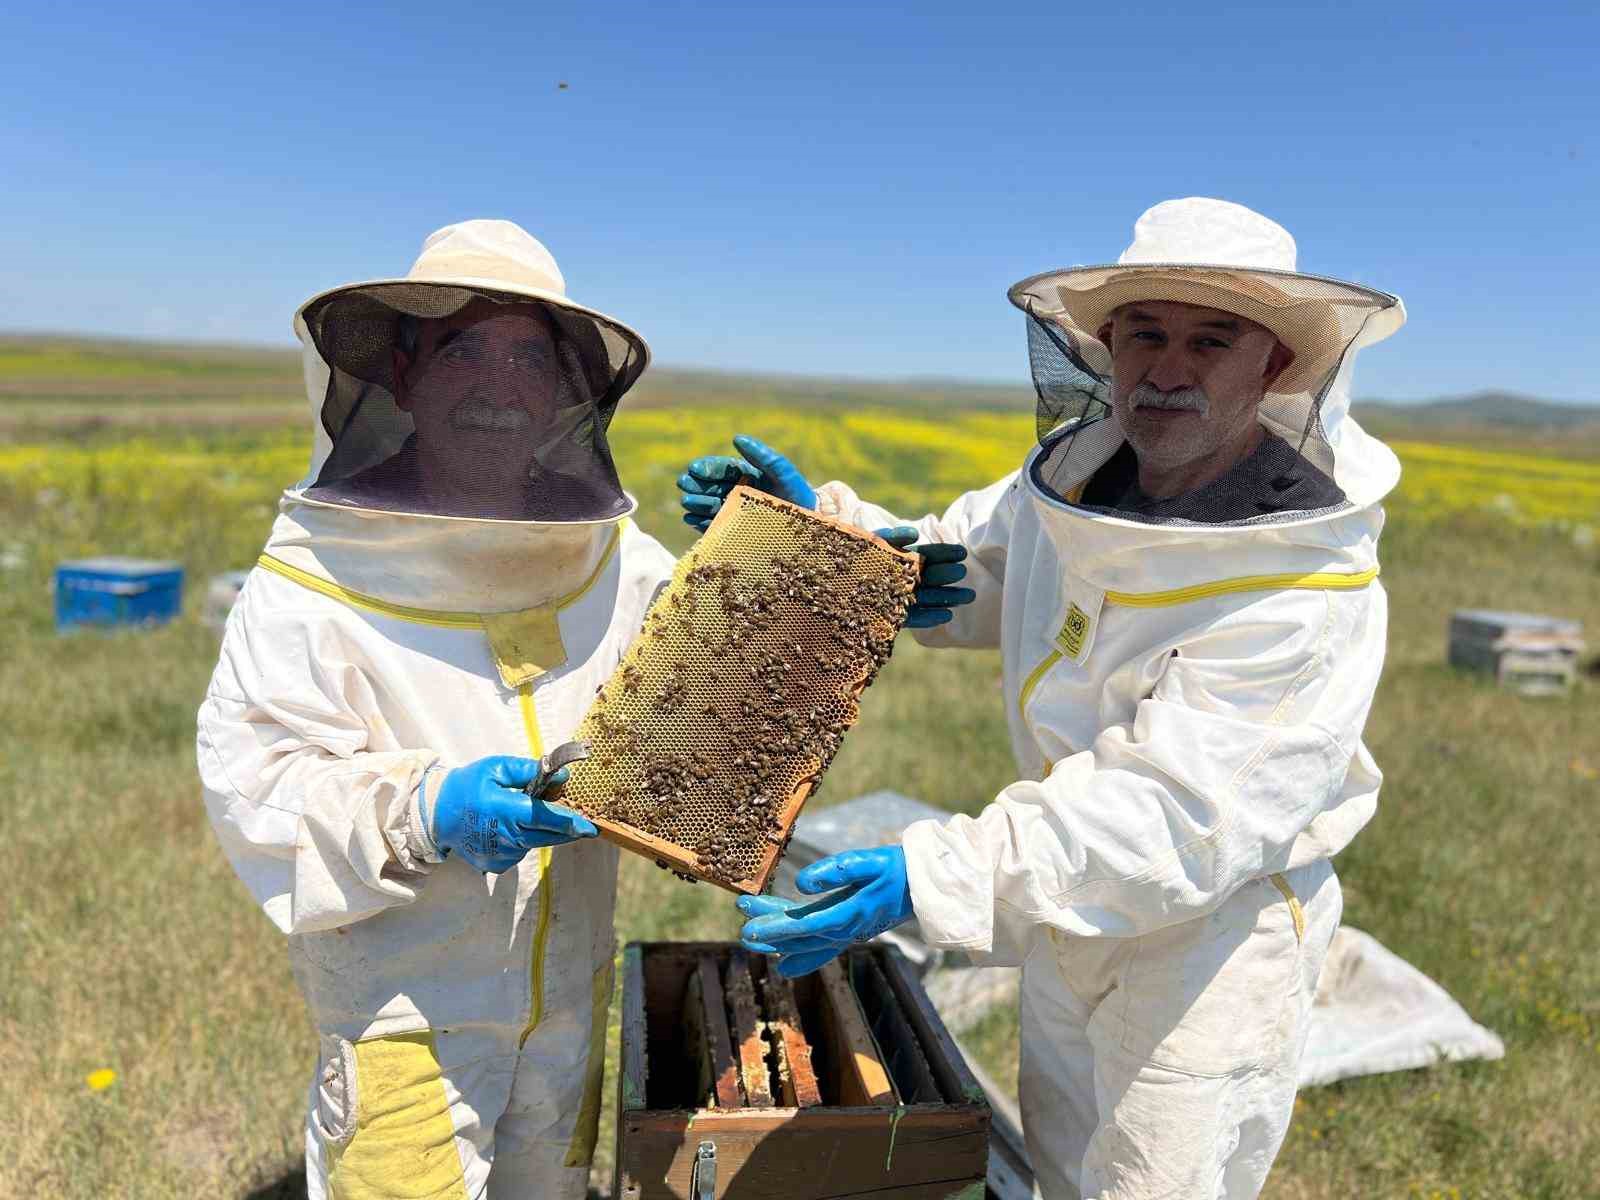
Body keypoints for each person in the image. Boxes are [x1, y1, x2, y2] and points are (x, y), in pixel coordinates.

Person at [678, 198, 1405, 1198]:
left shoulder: (1300, 588)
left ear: (1276, 364)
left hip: (1210, 949)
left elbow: (1177, 815)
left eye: (1212, 339)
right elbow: (973, 561)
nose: (1168, 367)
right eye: (1144, 332)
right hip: (1069, 913)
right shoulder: (1076, 477)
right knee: (1062, 1173)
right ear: (1104, 347)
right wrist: (838, 541)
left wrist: (934, 875)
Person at [198, 219, 678, 1199]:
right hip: (405, 1012)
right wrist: (428, 808)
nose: (498, 384)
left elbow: (707, 690)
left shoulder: (615, 559)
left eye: (528, 357)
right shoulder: (312, 578)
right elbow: (258, 787)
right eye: (463, 348)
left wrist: (826, 571)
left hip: (569, 998)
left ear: (564, 388)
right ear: (405, 371)